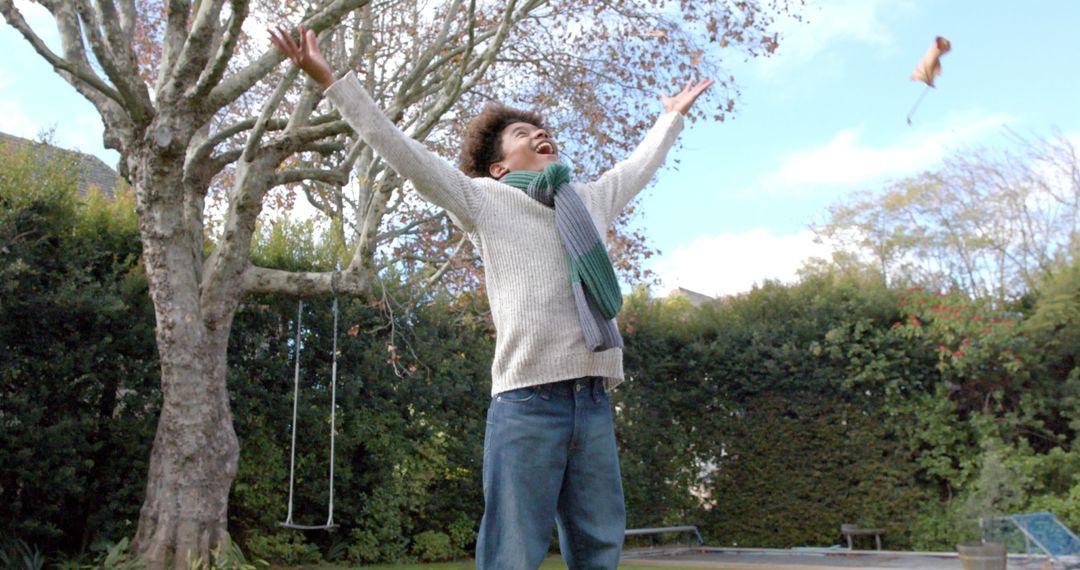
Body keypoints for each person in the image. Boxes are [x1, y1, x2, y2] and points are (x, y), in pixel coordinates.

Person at [271, 25, 713, 570]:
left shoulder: (590, 200)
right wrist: (333, 82)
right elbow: (401, 151)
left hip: (594, 398)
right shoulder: (483, 200)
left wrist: (671, 116)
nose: (540, 134)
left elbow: (639, 165)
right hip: (527, 402)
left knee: (600, 546)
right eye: (525, 132)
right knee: (511, 551)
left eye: (543, 130)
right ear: (500, 166)